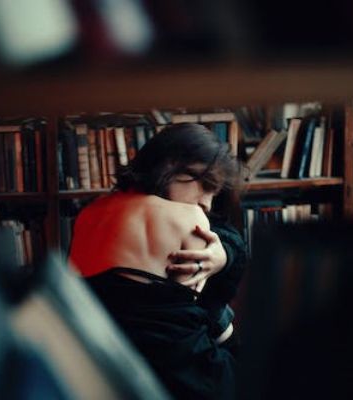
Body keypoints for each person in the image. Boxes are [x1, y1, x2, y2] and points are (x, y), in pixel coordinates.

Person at [68, 123, 247, 400]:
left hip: (103, 369)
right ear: (169, 165)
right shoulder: (190, 219)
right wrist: (225, 257)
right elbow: (212, 309)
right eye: (206, 185)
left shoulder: (87, 215)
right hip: (182, 376)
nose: (208, 204)